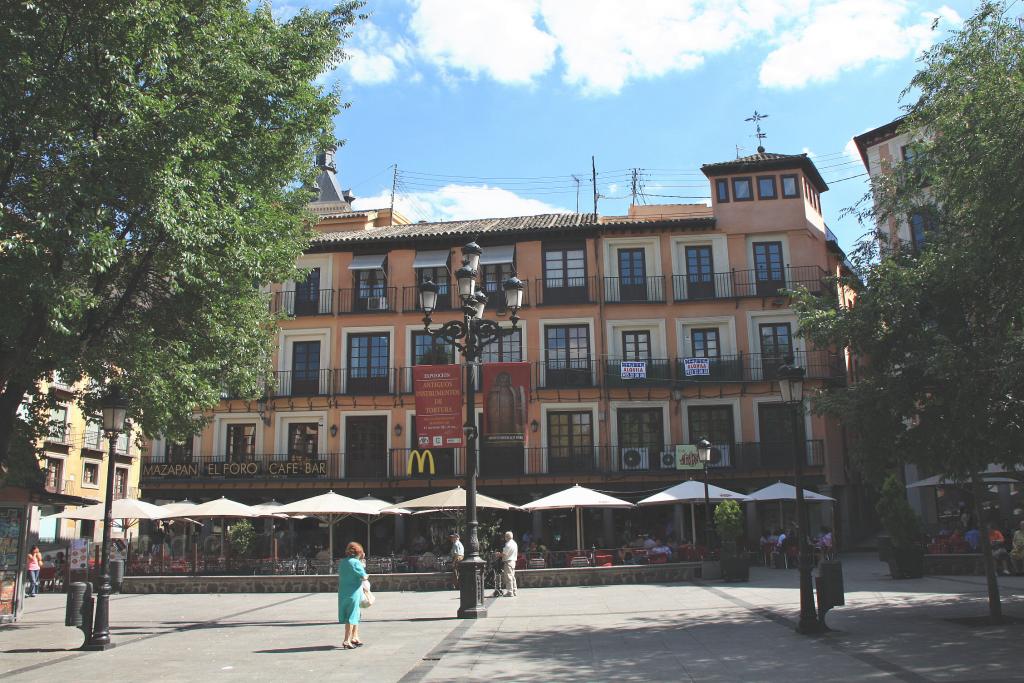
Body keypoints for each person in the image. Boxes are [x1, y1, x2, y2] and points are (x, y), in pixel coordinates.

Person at [338, 541, 368, 649]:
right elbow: (364, 576)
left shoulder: (343, 562)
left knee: (355, 613)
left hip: (343, 591)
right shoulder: (356, 563)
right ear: (359, 552)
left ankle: (355, 637)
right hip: (354, 592)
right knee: (352, 615)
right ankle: (347, 640)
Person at [499, 530, 518, 597]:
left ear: (506, 537)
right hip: (513, 561)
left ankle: (510, 592)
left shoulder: (508, 544)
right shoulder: (514, 543)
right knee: (512, 577)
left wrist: (498, 554)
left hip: (508, 561)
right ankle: (514, 591)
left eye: (505, 536)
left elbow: (504, 554)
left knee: (508, 577)